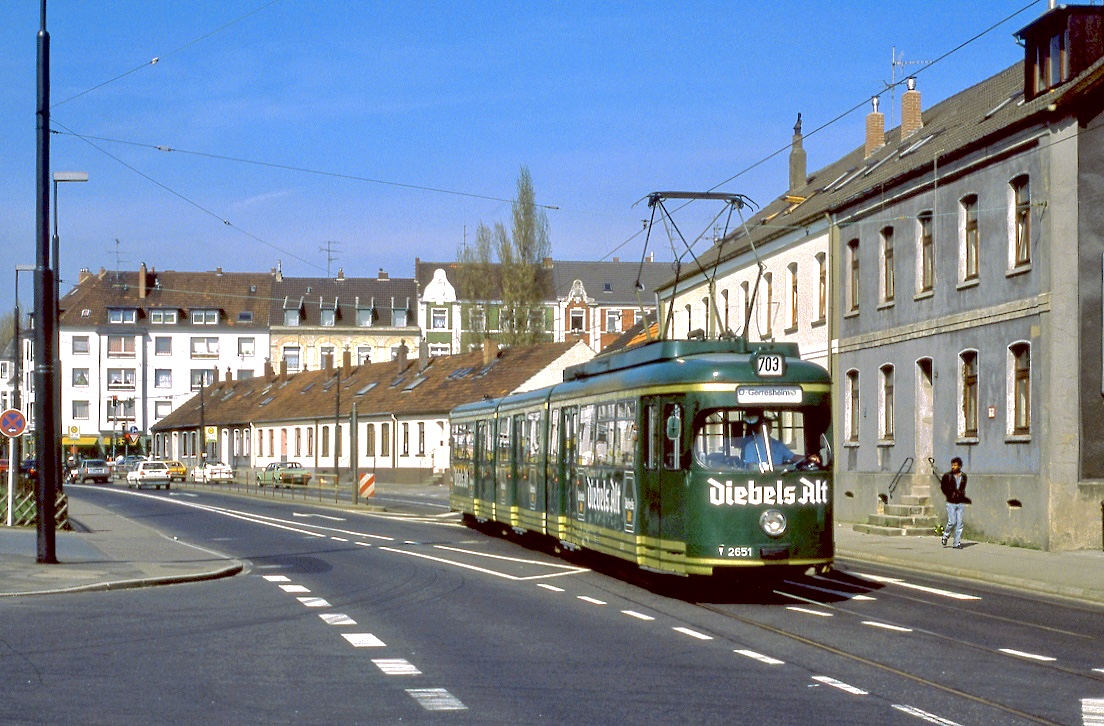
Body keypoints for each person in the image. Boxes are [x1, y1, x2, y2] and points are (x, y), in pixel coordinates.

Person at [940, 457, 969, 549]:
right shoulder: (947, 476)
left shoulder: (963, 476)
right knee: (952, 522)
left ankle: (956, 543)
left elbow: (962, 487)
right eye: (952, 465)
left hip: (960, 502)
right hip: (951, 502)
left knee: (959, 523)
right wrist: (949, 494)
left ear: (960, 466)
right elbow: (943, 487)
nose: (953, 467)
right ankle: (945, 535)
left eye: (955, 465)